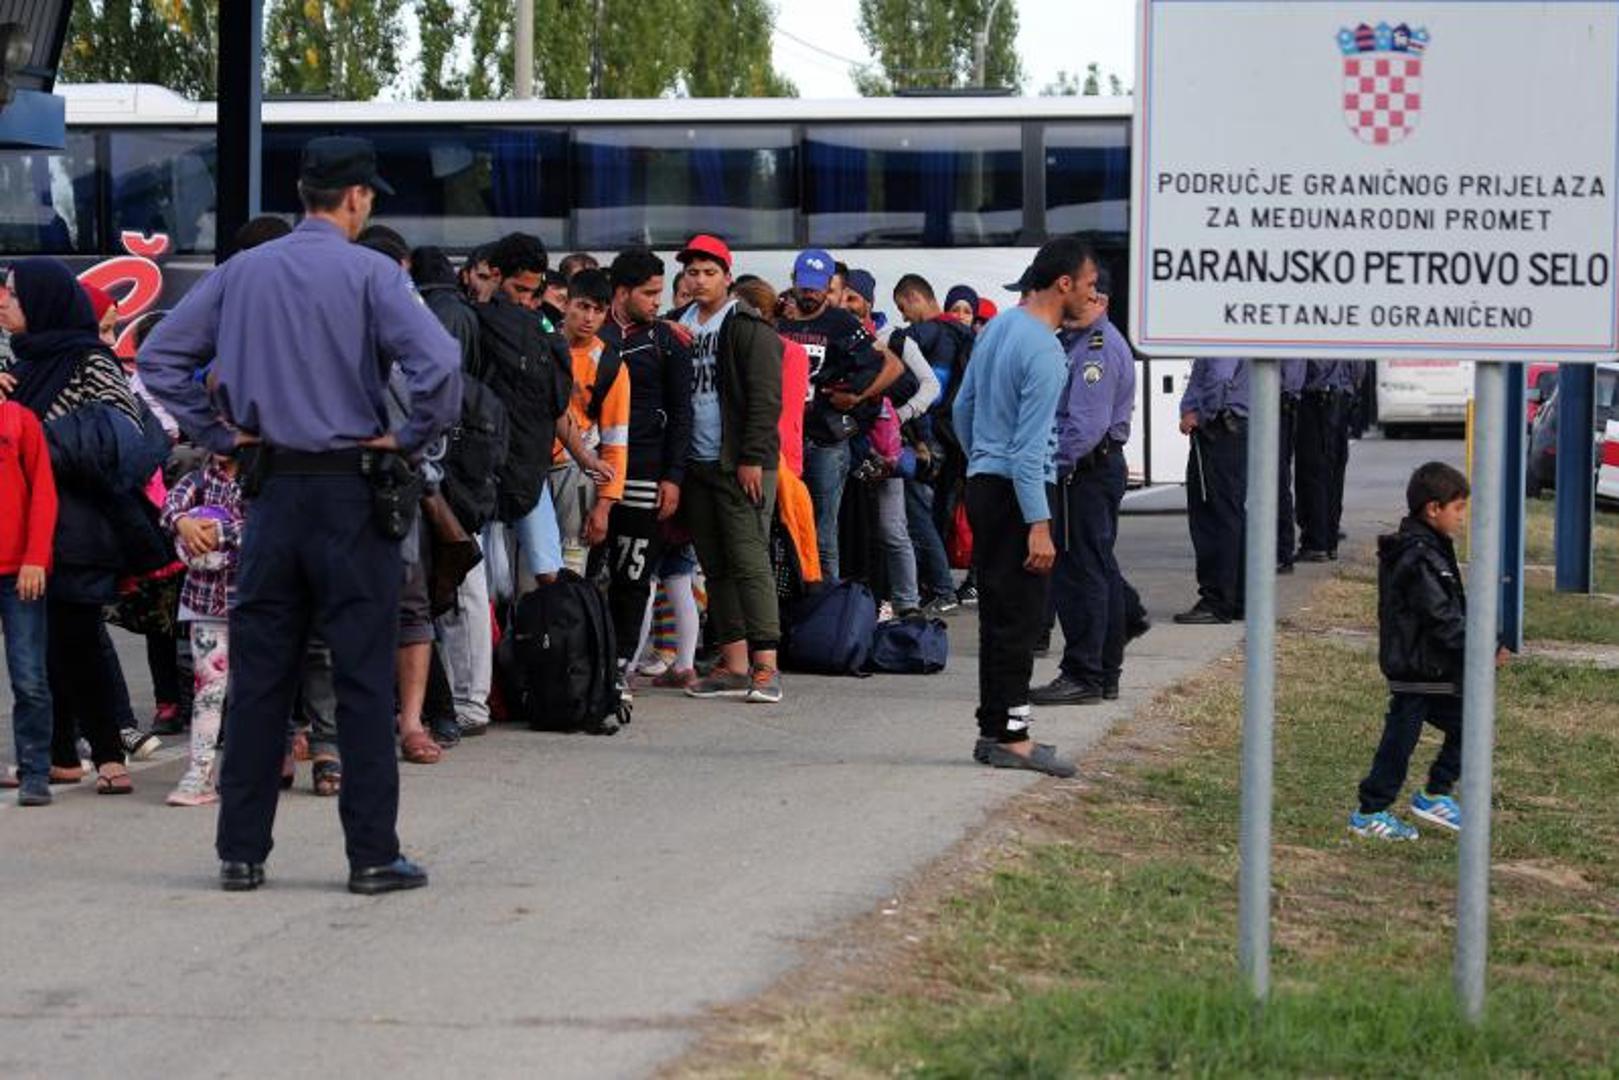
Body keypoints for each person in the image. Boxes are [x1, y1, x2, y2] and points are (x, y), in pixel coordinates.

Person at [139, 136, 462, 895]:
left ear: (303, 192)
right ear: (356, 197)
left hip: (271, 494)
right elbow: (442, 365)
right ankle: (372, 857)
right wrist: (408, 436)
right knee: (361, 679)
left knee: (260, 678)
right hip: (353, 494)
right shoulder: (374, 274)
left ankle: (241, 853)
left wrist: (221, 435)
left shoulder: (241, 272)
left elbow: (160, 360)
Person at [2, 259, 167, 796]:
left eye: (14, 294)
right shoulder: (21, 364)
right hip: (29, 525)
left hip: (80, 525)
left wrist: (31, 439)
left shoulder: (89, 360)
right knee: (44, 643)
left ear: (44, 302)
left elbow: (120, 438)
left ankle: (109, 753)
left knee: (78, 638)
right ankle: (60, 755)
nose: (4, 302)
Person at [953, 238, 1098, 777]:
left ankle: (993, 729)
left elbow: (962, 407)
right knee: (1021, 620)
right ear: (1064, 283)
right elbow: (1030, 449)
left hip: (985, 484)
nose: (1092, 295)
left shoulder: (998, 328)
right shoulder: (1046, 352)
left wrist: (980, 461)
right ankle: (1013, 737)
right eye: (1088, 285)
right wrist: (1039, 523)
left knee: (997, 616)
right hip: (1019, 496)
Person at [1350, 462, 1499, 841]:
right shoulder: (1418, 556)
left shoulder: (1431, 548)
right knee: (1400, 739)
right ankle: (1370, 811)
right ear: (1433, 509)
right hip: (1417, 669)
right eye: (1458, 508)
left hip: (1431, 669)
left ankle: (1434, 794)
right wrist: (1480, 648)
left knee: (1472, 723)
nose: (1462, 518)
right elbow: (1440, 616)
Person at [673, 234, 785, 704]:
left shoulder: (746, 327)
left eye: (709, 272)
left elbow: (766, 399)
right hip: (696, 463)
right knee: (715, 565)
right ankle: (734, 664)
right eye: (692, 272)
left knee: (750, 561)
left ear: (727, 277)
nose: (699, 280)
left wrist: (751, 458)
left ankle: (766, 667)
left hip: (739, 463)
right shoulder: (678, 324)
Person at [1031, 268, 1135, 707]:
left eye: (1086, 295)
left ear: (1102, 300)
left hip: (1085, 472)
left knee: (1082, 575)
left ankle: (1084, 673)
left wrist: (1049, 466)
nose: (1074, 302)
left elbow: (1085, 427)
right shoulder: (1075, 343)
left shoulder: (1098, 348)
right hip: (1087, 471)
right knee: (1097, 570)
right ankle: (1102, 670)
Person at [599, 248, 694, 684]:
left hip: (645, 472)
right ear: (622, 292)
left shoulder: (668, 342)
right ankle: (584, 659)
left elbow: (682, 414)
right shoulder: (591, 333)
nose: (659, 301)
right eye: (650, 293)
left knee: (634, 576)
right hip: (592, 473)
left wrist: (673, 477)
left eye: (660, 293)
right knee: (586, 573)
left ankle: (621, 666)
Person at [778, 248, 888, 580]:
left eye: (816, 287)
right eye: (804, 286)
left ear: (829, 286)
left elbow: (876, 363)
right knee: (784, 527)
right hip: (783, 440)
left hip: (825, 441)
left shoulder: (842, 323)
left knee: (823, 532)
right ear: (793, 281)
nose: (809, 293)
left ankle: (826, 603)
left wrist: (853, 395)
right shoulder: (779, 318)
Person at [159, 452, 245, 806]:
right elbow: (169, 506)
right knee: (208, 690)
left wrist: (219, 532)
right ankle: (200, 772)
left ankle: (247, 771)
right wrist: (184, 523)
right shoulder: (199, 478)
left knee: (256, 691)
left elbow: (271, 523)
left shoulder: (263, 476)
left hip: (257, 602)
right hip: (204, 601)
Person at [892, 273, 978, 613]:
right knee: (938, 511)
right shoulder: (963, 334)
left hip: (935, 436)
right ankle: (940, 586)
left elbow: (935, 389)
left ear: (915, 298)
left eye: (903, 307)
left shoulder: (931, 334)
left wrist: (914, 424)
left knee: (919, 513)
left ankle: (941, 588)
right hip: (959, 437)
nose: (904, 317)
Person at [0, 391, 58, 806]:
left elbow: (43, 491)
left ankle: (35, 770)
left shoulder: (19, 420)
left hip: (19, 571)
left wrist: (36, 556)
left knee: (29, 679)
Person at [552, 268, 629, 576]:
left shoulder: (610, 364)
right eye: (583, 306)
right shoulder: (540, 345)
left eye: (598, 310)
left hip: (577, 473)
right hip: (530, 468)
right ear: (565, 304)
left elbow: (616, 441)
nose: (589, 317)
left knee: (571, 565)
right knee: (526, 572)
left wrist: (604, 506)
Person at [1174, 357, 1250, 625]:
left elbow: (1220, 376)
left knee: (1213, 519)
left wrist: (1200, 414)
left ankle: (1217, 600)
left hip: (1218, 431)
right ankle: (1236, 598)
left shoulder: (1220, 337)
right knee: (1230, 516)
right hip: (1229, 431)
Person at [1296, 360, 1351, 561]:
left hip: (1317, 396)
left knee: (1313, 471)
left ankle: (1316, 542)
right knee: (1333, 473)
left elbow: (1314, 363)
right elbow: (1359, 367)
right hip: (1340, 395)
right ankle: (1329, 539)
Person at [1277, 359, 1307, 573]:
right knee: (1278, 480)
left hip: (1276, 403)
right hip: (1284, 402)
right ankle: (1281, 551)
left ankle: (1281, 552)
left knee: (1275, 481)